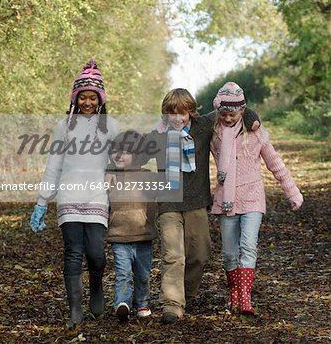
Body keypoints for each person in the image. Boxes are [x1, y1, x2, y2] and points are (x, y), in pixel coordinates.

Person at [138, 88, 260, 324]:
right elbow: (136, 155)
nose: (177, 118)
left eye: (182, 113)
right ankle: (172, 304)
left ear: (191, 113)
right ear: (165, 114)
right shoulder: (158, 135)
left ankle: (185, 294)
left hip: (196, 203)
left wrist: (252, 116)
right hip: (168, 204)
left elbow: (231, 110)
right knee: (174, 255)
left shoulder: (203, 128)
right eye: (171, 113)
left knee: (200, 254)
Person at [30, 60, 119, 328]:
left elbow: (123, 156)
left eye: (93, 97)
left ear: (100, 99)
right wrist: (42, 201)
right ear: (75, 98)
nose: (88, 102)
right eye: (83, 97)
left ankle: (96, 286)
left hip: (97, 196)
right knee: (73, 252)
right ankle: (75, 310)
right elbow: (54, 164)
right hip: (68, 196)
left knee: (96, 254)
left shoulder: (111, 125)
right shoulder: (64, 126)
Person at [210, 82, 304, 315]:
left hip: (252, 199)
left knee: (248, 246)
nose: (229, 118)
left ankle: (245, 300)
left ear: (242, 111)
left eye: (233, 114)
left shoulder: (256, 133)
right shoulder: (214, 134)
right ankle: (233, 296)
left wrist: (292, 192)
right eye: (224, 114)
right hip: (225, 200)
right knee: (229, 253)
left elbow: (276, 164)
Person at [107, 130, 158, 322]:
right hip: (119, 234)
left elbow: (158, 201)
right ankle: (122, 303)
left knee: (143, 273)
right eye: (115, 151)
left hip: (143, 234)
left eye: (126, 152)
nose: (119, 155)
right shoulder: (110, 176)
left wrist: (150, 222)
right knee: (122, 272)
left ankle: (142, 302)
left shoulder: (149, 177)